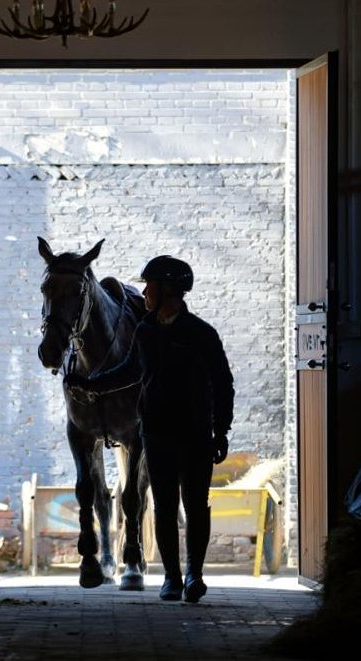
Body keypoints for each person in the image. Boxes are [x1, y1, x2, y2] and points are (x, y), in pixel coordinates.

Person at [65, 255, 234, 603]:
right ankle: (172, 577)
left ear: (168, 289)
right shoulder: (145, 330)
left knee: (196, 505)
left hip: (195, 432)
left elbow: (223, 383)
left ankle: (195, 575)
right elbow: (130, 371)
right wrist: (91, 384)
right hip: (156, 432)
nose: (144, 293)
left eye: (150, 286)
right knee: (164, 506)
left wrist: (221, 430)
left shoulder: (201, 333)